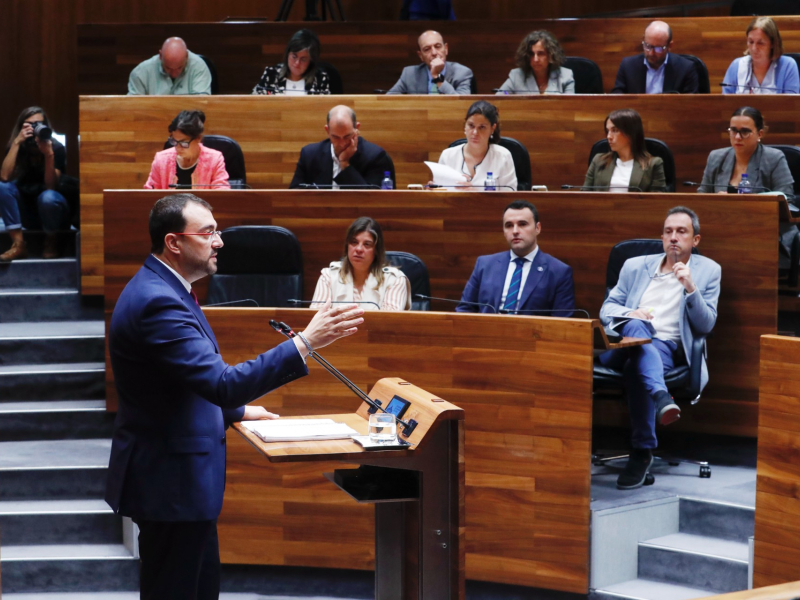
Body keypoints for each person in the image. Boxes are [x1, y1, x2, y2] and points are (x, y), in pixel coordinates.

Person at [105, 193, 364, 599]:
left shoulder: (168, 288)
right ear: (174, 242)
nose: (219, 241)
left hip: (179, 484)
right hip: (170, 485)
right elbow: (220, 382)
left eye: (217, 230)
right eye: (208, 232)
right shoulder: (157, 301)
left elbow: (176, 383)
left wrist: (238, 411)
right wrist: (305, 343)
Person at [599, 206, 721, 490]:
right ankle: (660, 397)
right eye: (668, 232)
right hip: (621, 343)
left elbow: (706, 326)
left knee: (636, 364)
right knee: (638, 328)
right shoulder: (635, 265)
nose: (674, 238)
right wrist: (633, 315)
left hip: (665, 346)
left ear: (695, 240)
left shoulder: (708, 271)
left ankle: (642, 452)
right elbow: (608, 307)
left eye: (681, 232)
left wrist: (691, 288)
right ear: (662, 237)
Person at [457, 200, 575, 315]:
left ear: (537, 228)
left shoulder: (559, 272)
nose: (515, 231)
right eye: (509, 225)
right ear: (503, 231)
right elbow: (464, 310)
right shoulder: (484, 264)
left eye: (522, 224)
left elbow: (563, 324)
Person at [0, 107, 71, 261]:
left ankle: (51, 241)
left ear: (46, 125)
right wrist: (17, 142)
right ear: (20, 127)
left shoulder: (56, 148)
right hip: (28, 210)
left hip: (53, 211)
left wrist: (48, 154)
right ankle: (18, 244)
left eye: (38, 124)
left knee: (48, 197)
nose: (34, 128)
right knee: (2, 187)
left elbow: (51, 185)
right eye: (29, 124)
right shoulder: (17, 146)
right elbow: (4, 177)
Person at [311, 217, 410, 311]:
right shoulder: (329, 276)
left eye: (367, 244)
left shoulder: (394, 280)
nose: (358, 249)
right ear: (347, 246)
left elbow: (388, 323)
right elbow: (316, 319)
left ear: (376, 250)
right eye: (354, 242)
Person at [289, 105, 394, 189]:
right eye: (335, 137)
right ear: (327, 131)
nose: (342, 143)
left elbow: (373, 201)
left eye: (347, 136)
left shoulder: (376, 156)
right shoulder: (309, 154)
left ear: (357, 128)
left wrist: (345, 164)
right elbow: (294, 194)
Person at [698, 106, 793, 194]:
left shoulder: (774, 158)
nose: (738, 137)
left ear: (759, 134)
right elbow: (702, 197)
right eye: (733, 130)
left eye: (745, 131)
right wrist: (717, 201)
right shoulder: (716, 157)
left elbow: (786, 199)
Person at [436, 100, 518, 191]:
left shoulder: (503, 156)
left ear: (492, 128)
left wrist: (474, 194)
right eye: (471, 125)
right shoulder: (447, 156)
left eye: (482, 127)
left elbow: (510, 198)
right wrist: (435, 190)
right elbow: (441, 196)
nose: (475, 132)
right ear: (465, 126)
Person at [583, 109, 666, 192]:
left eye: (615, 130)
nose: (609, 136)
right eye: (608, 131)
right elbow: (584, 196)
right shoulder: (598, 160)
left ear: (631, 133)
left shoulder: (653, 164)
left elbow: (657, 202)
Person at [144, 110, 230, 190]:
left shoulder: (215, 159)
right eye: (174, 141)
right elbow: (150, 194)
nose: (178, 148)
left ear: (198, 138)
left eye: (183, 143)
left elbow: (221, 194)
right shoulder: (161, 159)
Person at [611, 21, 699, 94]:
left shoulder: (686, 68)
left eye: (658, 48)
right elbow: (618, 98)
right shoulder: (628, 66)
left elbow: (691, 104)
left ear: (670, 46)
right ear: (644, 40)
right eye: (648, 46)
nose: (651, 53)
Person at [722, 17, 799, 95]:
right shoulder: (736, 66)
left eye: (760, 43)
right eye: (751, 42)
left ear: (772, 43)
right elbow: (725, 103)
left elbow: (791, 104)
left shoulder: (787, 66)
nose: (754, 48)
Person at [387, 30, 473, 95]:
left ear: (446, 49)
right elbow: (387, 101)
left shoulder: (462, 73)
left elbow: (461, 104)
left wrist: (437, 76)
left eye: (438, 46)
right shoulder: (409, 74)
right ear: (421, 55)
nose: (434, 53)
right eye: (427, 49)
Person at [252, 29, 331, 95]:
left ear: (311, 60)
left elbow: (326, 108)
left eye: (303, 59)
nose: (297, 63)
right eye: (294, 56)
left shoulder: (320, 78)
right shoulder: (271, 74)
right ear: (288, 54)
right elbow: (253, 102)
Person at [496, 30, 575, 95]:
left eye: (541, 54)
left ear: (550, 55)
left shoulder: (566, 76)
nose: (535, 59)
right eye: (531, 54)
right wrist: (506, 94)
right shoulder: (517, 76)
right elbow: (501, 95)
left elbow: (570, 107)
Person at [128, 37, 212, 96]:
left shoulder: (199, 67)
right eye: (168, 68)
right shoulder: (140, 73)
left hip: (188, 121)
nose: (174, 74)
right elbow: (133, 108)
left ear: (187, 56)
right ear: (160, 56)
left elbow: (201, 106)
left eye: (179, 68)